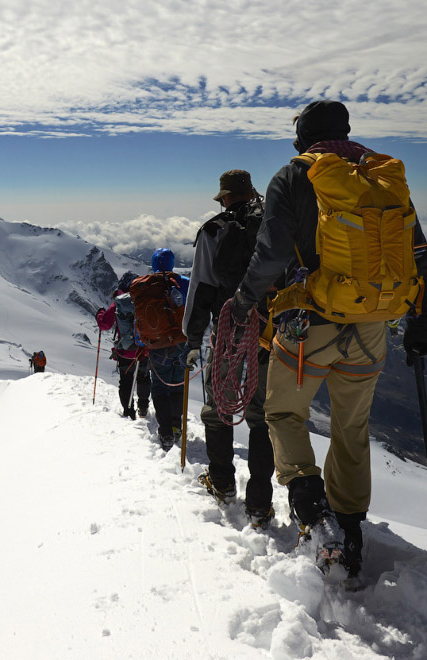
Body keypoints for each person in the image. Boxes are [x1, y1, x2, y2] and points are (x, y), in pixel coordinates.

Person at [226, 100, 427, 580]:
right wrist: (420, 324)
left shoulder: (294, 175)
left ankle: (308, 503)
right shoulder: (382, 176)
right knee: (351, 428)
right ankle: (351, 528)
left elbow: (272, 250)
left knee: (283, 412)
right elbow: (418, 254)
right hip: (371, 326)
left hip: (308, 325)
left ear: (302, 135)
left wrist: (244, 300)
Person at [183, 170, 275, 529]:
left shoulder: (213, 230)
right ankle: (259, 504)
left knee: (219, 406)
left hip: (228, 329)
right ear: (251, 193)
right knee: (262, 417)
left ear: (223, 198)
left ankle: (221, 482)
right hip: (269, 331)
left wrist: (192, 339)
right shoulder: (274, 222)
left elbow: (201, 289)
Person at [141, 248, 190, 451]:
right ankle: (176, 426)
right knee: (177, 386)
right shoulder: (185, 283)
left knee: (160, 388)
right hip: (180, 343)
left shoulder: (144, 287)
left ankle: (165, 432)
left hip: (157, 346)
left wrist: (143, 341)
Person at [96, 271, 151, 419]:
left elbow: (105, 324)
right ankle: (143, 407)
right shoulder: (145, 300)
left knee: (126, 382)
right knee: (144, 377)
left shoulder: (118, 302)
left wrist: (100, 313)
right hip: (144, 349)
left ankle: (128, 412)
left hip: (125, 350)